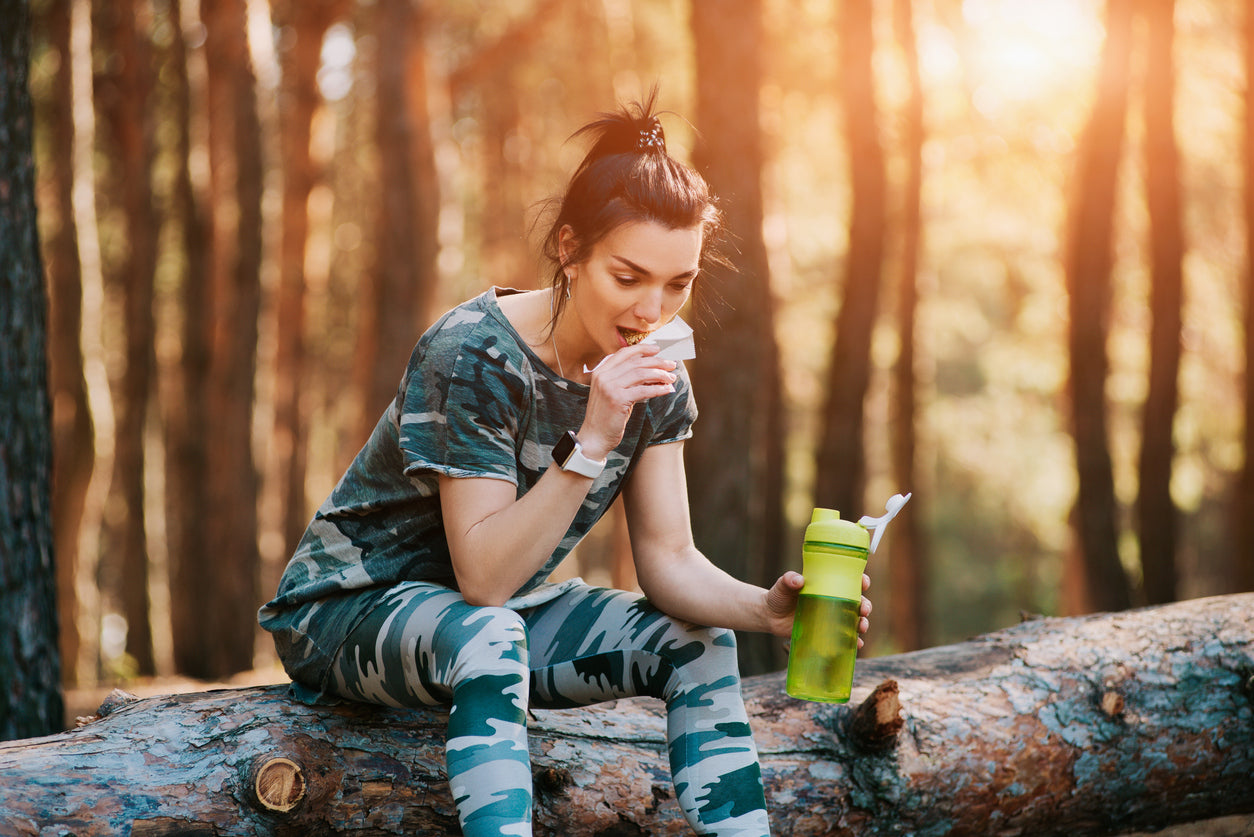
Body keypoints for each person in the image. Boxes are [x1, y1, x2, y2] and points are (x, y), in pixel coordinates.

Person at [258, 92, 873, 837]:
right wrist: (592, 438)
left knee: (699, 640)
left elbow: (669, 557)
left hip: (489, 618)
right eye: (629, 276)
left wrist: (764, 609)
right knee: (492, 634)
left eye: (678, 284)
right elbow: (482, 575)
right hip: (344, 609)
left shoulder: (657, 375)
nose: (653, 311)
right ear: (569, 248)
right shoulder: (474, 353)